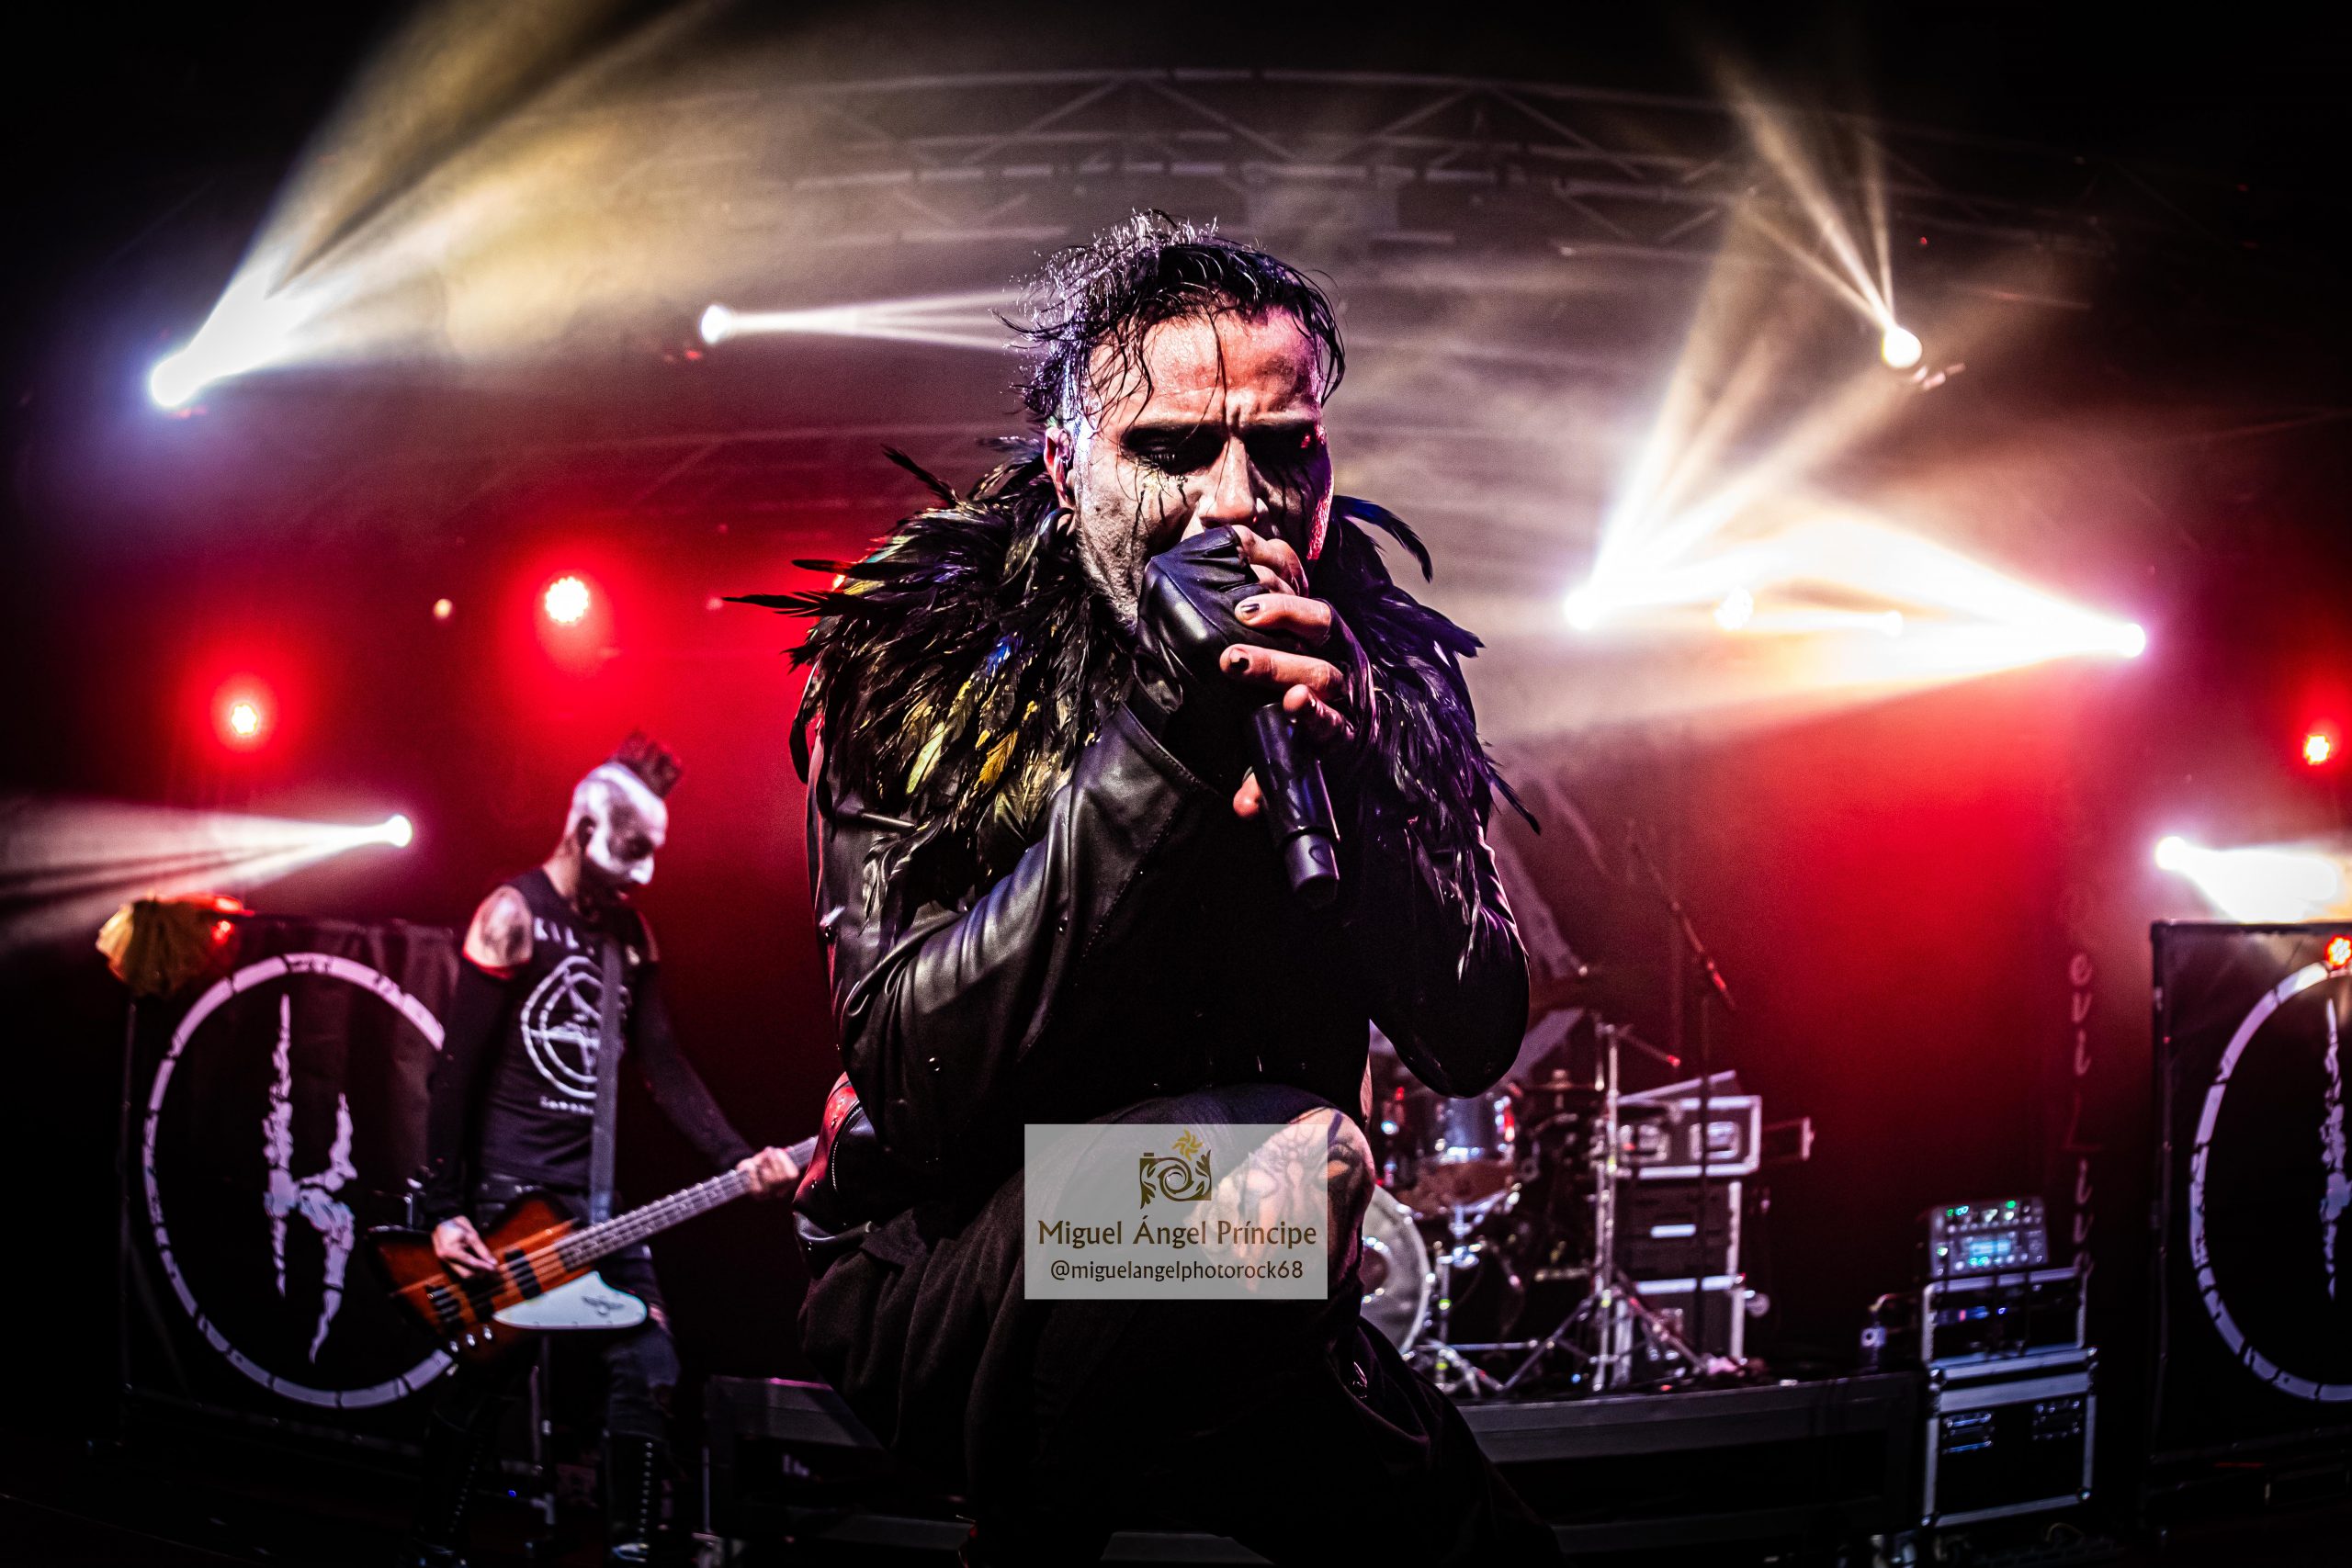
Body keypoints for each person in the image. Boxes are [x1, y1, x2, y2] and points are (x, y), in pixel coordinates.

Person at [752, 214, 1563, 1563]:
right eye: (1173, 451)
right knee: (1300, 1167)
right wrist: (1165, 750)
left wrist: (1359, 770)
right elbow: (909, 1077)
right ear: (1065, 468)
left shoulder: (1376, 668)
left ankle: (1060, 1498)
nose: (1235, 502)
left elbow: (1474, 1035)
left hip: (1249, 1265)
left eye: (1283, 448)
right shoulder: (914, 659)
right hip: (959, 1260)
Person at [402, 734, 798, 1567]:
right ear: (582, 828)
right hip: (511, 1200)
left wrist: (737, 1156)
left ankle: (628, 1555)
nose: (635, 880)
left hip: (601, 1204)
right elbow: (454, 1073)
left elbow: (664, 1065)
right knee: (487, 1379)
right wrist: (444, 1211)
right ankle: (434, 1547)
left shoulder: (632, 936)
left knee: (650, 1364)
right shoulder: (511, 914)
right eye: (625, 857)